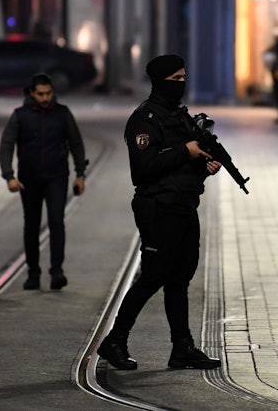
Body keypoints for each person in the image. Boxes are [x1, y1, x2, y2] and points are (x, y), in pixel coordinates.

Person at [96, 54, 223, 372]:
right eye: (176, 79)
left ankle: (182, 348)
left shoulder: (181, 118)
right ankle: (115, 341)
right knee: (152, 276)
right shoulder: (145, 119)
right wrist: (185, 151)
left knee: (180, 278)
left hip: (183, 206)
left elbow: (181, 168)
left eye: (184, 78)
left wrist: (203, 168)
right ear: (161, 81)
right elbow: (144, 168)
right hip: (158, 209)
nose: (182, 84)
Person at [0, 72, 87, 291]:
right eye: (40, 94)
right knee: (31, 226)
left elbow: (76, 143)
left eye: (48, 93)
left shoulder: (62, 114)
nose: (45, 98)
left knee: (57, 222)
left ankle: (57, 271)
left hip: (57, 176)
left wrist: (80, 174)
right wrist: (9, 176)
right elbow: (6, 145)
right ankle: (33, 273)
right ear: (31, 93)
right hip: (29, 179)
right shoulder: (20, 116)